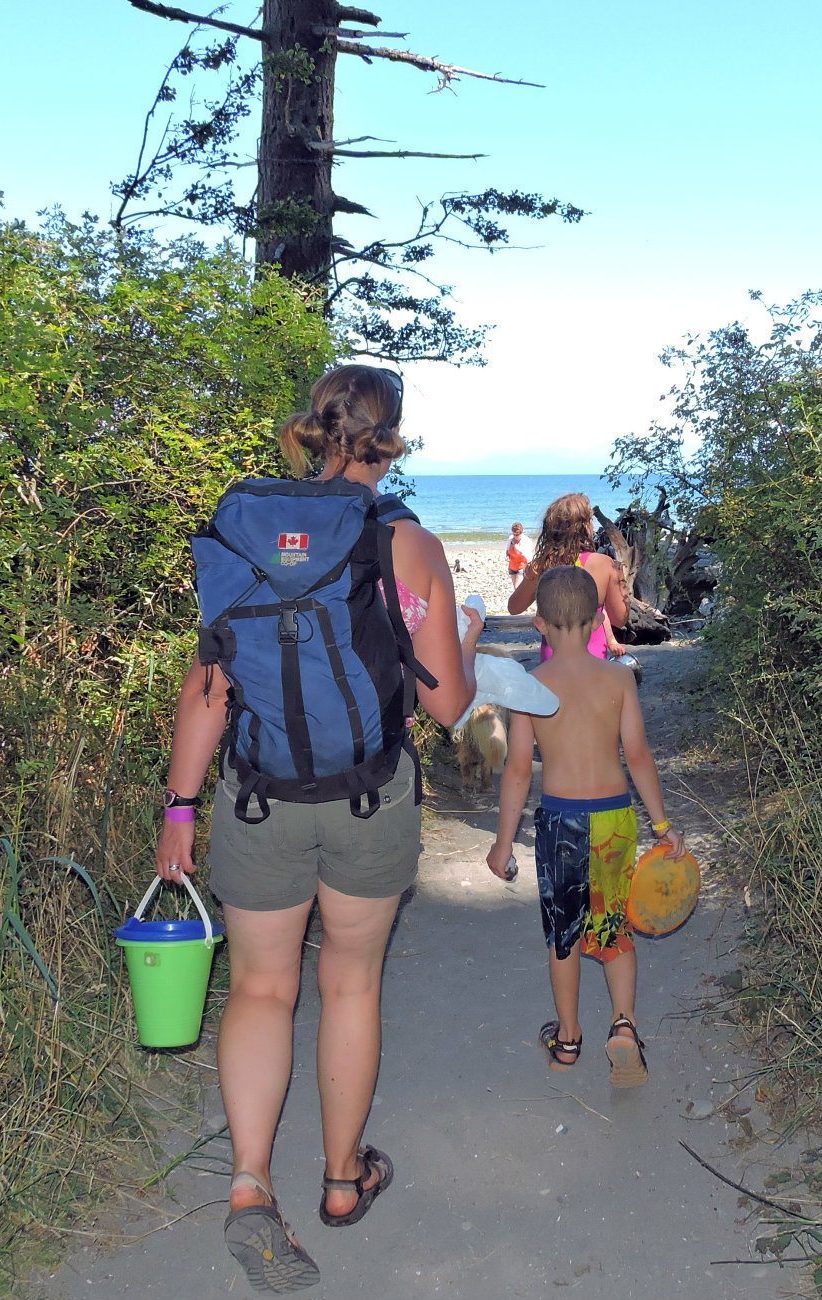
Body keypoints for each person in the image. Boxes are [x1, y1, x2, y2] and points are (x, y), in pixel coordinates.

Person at [155, 363, 480, 1294]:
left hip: (257, 800)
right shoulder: (404, 543)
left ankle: (251, 1187)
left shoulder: (246, 530)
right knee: (349, 985)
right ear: (391, 435)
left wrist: (180, 809)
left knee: (260, 989)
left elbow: (208, 684)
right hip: (368, 801)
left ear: (313, 426)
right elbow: (451, 703)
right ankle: (342, 1182)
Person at [485, 565, 685, 1088]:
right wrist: (662, 826)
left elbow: (518, 771)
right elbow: (638, 756)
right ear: (599, 619)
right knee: (614, 926)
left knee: (564, 937)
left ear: (540, 625)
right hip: (615, 819)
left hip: (560, 823)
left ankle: (569, 1039)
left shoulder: (532, 687)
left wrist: (504, 843)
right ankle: (623, 1025)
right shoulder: (618, 678)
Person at [505, 493, 629, 662]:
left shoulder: (541, 566)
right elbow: (619, 619)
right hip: (593, 659)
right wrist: (622, 586)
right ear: (586, 526)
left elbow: (514, 607)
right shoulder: (606, 565)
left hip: (554, 661)